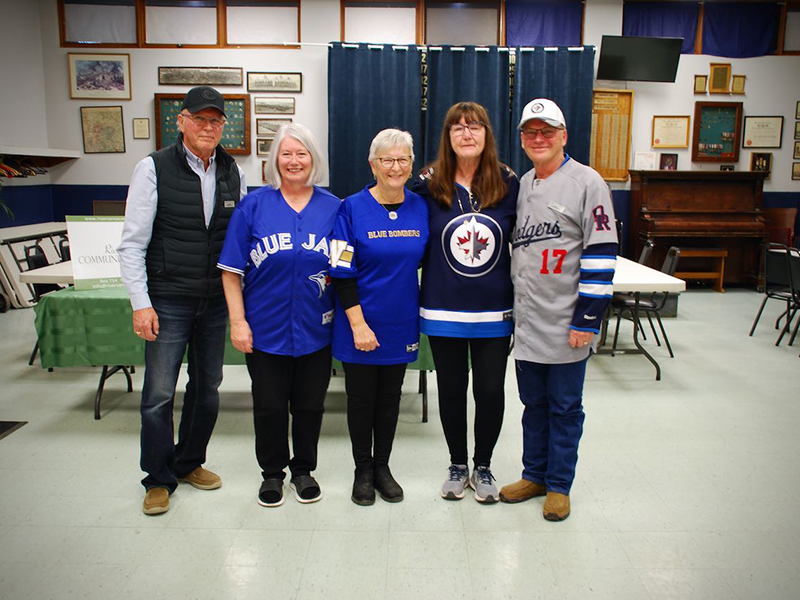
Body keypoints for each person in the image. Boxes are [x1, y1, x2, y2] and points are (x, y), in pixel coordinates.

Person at [118, 86, 247, 516]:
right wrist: (141, 302)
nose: (208, 127)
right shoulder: (152, 168)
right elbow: (132, 244)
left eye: (215, 120)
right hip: (168, 299)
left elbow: (239, 243)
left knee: (206, 388)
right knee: (157, 394)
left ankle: (190, 462)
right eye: (200, 119)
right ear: (181, 120)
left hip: (214, 302)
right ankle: (157, 478)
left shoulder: (233, 172)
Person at [499, 98, 617, 521]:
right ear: (523, 140)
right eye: (530, 132)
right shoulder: (524, 183)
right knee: (534, 405)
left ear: (563, 136)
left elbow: (603, 254)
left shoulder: (588, 182)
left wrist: (588, 318)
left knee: (565, 407)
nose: (538, 138)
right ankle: (534, 475)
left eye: (547, 131)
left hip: (567, 320)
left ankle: (559, 485)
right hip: (529, 321)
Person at [217, 124, 340, 507]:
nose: (294, 161)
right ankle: (272, 474)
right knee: (269, 406)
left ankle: (303, 470)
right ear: (274, 162)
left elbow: (347, 267)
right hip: (265, 330)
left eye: (301, 153)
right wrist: (238, 321)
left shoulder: (334, 208)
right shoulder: (253, 207)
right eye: (286, 154)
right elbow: (231, 271)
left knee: (309, 405)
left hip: (316, 329)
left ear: (313, 160)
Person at [412, 102, 519, 504]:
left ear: (487, 134)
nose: (466, 133)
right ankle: (458, 464)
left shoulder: (508, 183)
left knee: (490, 390)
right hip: (443, 307)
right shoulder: (428, 182)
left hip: (494, 309)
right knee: (452, 390)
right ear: (448, 137)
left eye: (474, 126)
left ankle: (484, 465)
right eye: (457, 127)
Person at [329, 128, 429, 506]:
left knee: (390, 399)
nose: (395, 166)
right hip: (358, 323)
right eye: (387, 159)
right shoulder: (349, 208)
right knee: (360, 399)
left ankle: (383, 467)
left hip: (400, 322)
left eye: (403, 159)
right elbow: (340, 270)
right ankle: (362, 470)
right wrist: (358, 324)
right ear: (373, 165)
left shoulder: (420, 208)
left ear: (411, 165)